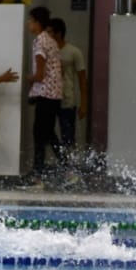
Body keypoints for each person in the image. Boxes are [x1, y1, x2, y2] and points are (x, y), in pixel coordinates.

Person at [25, 6, 62, 185]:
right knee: (48, 134)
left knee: (40, 134)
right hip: (54, 94)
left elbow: (39, 75)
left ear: (37, 23)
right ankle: (68, 168)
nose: (28, 24)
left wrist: (28, 78)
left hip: (46, 94)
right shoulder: (50, 40)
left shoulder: (40, 42)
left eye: (30, 20)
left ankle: (37, 175)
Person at [47, 18, 87, 170]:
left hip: (67, 100)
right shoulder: (47, 51)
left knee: (68, 136)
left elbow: (83, 80)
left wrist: (84, 103)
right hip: (50, 98)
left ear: (58, 33)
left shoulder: (73, 52)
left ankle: (70, 169)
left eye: (50, 31)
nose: (47, 35)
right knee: (47, 132)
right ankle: (63, 161)